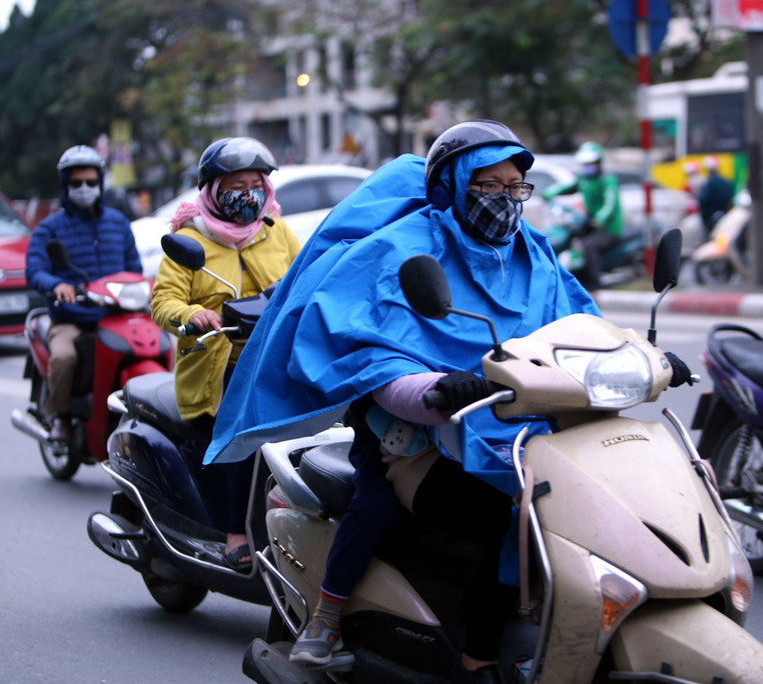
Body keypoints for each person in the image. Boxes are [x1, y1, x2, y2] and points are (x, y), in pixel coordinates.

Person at [204, 120, 601, 681]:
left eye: (516, 188)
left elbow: (582, 322)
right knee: (412, 509)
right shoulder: (401, 249)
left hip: (520, 431)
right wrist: (434, 387)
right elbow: (373, 350)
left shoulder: (532, 252)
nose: (506, 201)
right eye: (490, 186)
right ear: (453, 187)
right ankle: (337, 618)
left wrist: (637, 356)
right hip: (410, 440)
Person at [150, 137, 300, 571]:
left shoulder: (277, 232)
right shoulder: (189, 239)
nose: (249, 193)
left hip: (274, 360)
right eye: (238, 184)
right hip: (219, 368)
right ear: (214, 189)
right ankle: (238, 531)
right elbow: (164, 302)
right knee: (249, 432)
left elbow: (306, 280)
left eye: (257, 183)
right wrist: (193, 314)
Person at [26, 145, 142, 445]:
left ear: (100, 183)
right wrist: (56, 286)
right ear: (65, 186)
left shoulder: (118, 223)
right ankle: (61, 417)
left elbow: (135, 269)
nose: (84, 188)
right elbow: (35, 271)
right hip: (72, 318)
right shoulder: (49, 228)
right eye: (76, 183)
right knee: (64, 357)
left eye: (91, 182)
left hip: (116, 316)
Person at [574, 141, 623, 288]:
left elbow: (610, 203)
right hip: (592, 225)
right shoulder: (585, 180)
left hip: (609, 228)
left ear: (599, 163)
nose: (587, 166)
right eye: (585, 163)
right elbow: (567, 187)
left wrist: (600, 218)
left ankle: (595, 282)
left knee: (589, 245)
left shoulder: (607, 180)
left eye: (591, 163)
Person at [696, 155, 734, 235]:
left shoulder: (710, 182)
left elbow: (705, 198)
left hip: (710, 215)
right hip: (723, 213)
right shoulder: (725, 181)